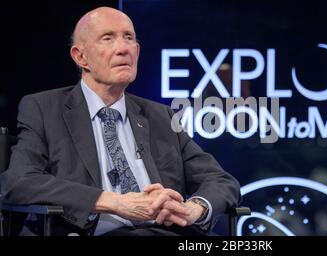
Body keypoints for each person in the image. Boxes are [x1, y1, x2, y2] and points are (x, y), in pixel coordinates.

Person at [0, 6, 240, 236]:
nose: (123, 48)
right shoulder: (44, 109)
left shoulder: (161, 116)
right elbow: (19, 182)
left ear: (137, 51)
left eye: (128, 38)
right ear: (80, 56)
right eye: (108, 38)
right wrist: (111, 201)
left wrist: (194, 208)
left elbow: (220, 180)